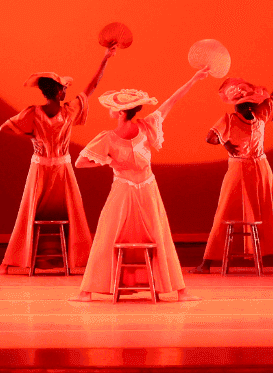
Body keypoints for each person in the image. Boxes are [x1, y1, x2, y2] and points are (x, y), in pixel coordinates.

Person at [70, 68, 211, 301]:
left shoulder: (142, 128)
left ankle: (178, 290)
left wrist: (110, 160)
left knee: (141, 234)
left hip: (142, 188)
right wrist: (110, 160)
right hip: (130, 189)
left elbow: (81, 162)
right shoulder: (113, 136)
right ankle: (178, 291)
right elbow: (81, 162)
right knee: (118, 234)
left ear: (119, 113)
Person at [0, 46, 115, 272]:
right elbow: (5, 127)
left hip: (59, 168)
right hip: (44, 169)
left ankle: (70, 258)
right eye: (64, 89)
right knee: (30, 211)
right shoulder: (38, 113)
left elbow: (92, 86)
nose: (66, 93)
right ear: (58, 92)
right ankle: (13, 260)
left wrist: (105, 60)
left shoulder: (65, 111)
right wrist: (32, 135)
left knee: (71, 211)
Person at [194, 60, 273, 272]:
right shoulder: (230, 119)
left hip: (260, 168)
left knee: (270, 211)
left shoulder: (260, 115)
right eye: (243, 104)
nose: (247, 106)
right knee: (225, 212)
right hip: (239, 169)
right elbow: (210, 137)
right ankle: (206, 263)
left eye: (249, 103)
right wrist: (227, 144)